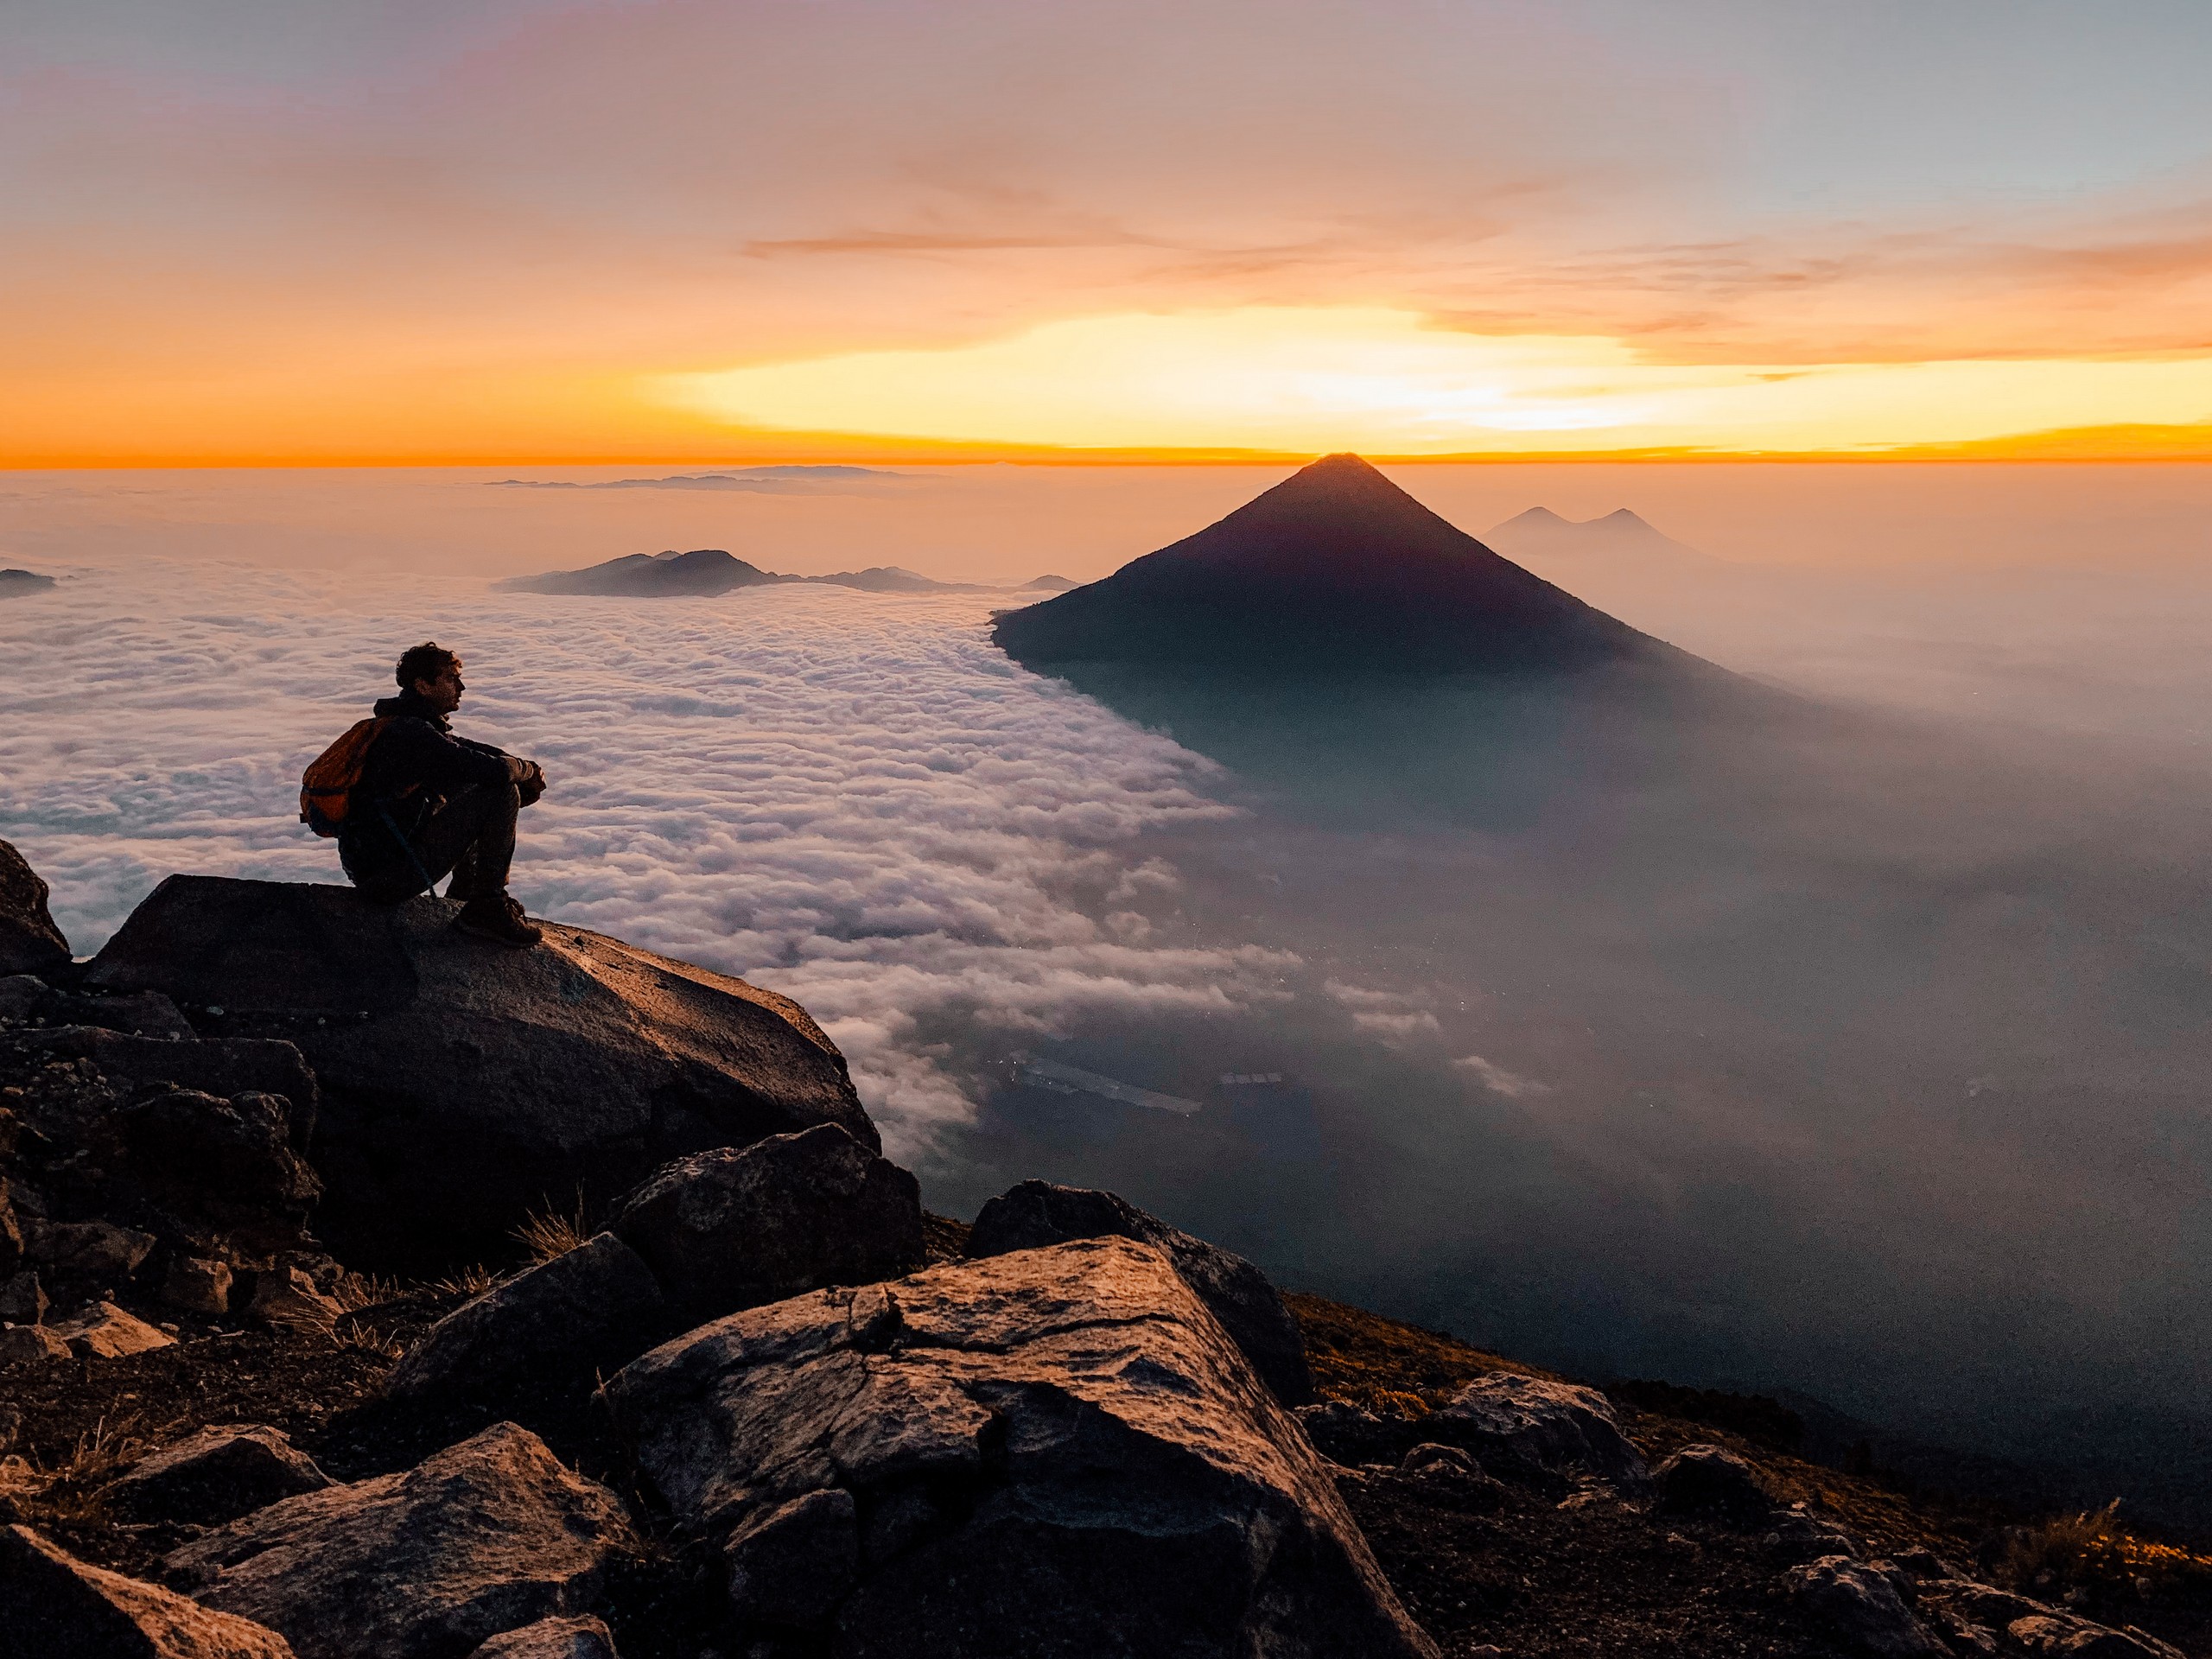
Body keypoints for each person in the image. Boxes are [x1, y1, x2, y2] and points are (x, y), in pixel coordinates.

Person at [338, 642, 547, 947]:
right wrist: (524, 772)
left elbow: (479, 755)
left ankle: (466, 897)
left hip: (380, 871)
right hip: (390, 878)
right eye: (451, 678)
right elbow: (497, 773)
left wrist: (524, 768)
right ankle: (486, 904)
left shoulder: (408, 727)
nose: (461, 687)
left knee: (479, 783)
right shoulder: (412, 735)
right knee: (501, 792)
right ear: (422, 686)